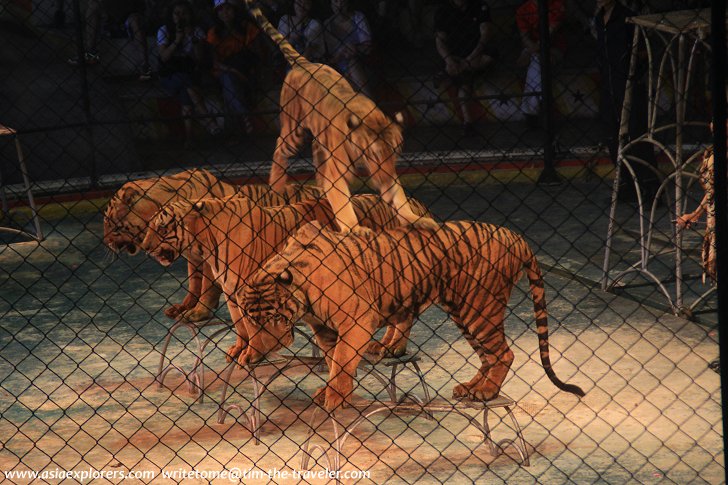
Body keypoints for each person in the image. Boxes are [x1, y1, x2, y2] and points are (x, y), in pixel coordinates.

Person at [593, 0, 658, 201]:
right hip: (609, 83)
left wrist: (634, 70)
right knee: (612, 135)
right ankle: (629, 184)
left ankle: (651, 188)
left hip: (627, 83)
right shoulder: (598, 18)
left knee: (636, 134)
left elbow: (646, 51)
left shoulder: (627, 17)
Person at [158, 0, 222, 145]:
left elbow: (199, 59)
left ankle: (189, 138)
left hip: (190, 72)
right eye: (177, 13)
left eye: (184, 13)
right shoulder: (165, 30)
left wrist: (192, 39)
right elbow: (164, 57)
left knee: (186, 92)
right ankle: (210, 123)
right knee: (186, 82)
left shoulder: (196, 31)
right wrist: (177, 40)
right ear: (172, 15)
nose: (181, 17)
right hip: (170, 74)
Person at [434, 0, 496, 136]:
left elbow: (485, 35)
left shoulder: (479, 6)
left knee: (488, 58)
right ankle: (468, 122)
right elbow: (440, 41)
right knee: (465, 79)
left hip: (475, 53)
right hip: (455, 54)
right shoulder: (443, 10)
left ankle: (449, 73)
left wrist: (469, 60)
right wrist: (449, 60)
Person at [207, 0, 267, 136]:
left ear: (235, 10)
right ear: (216, 13)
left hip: (245, 68)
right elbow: (214, 62)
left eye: (228, 9)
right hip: (224, 70)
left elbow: (257, 54)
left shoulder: (246, 28)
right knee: (229, 80)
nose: (225, 13)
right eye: (221, 10)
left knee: (229, 88)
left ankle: (234, 128)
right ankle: (245, 116)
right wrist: (231, 70)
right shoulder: (214, 32)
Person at [67, 0, 152, 82]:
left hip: (130, 13)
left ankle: (145, 65)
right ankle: (91, 54)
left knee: (135, 21)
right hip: (109, 13)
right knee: (93, 6)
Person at [515, 0, 565, 129]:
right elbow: (524, 37)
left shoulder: (557, 5)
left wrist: (532, 51)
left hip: (553, 46)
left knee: (536, 61)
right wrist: (533, 50)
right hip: (533, 48)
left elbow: (549, 34)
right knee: (537, 62)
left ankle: (530, 111)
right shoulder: (523, 10)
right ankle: (541, 106)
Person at [324, 0, 373, 97]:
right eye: (336, 1)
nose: (339, 5)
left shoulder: (358, 17)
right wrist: (342, 52)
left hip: (360, 62)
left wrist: (355, 48)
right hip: (339, 65)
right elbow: (332, 58)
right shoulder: (327, 24)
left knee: (352, 63)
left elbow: (368, 47)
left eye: (342, 1)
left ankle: (369, 103)